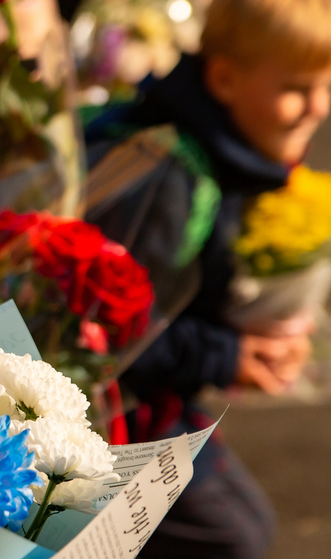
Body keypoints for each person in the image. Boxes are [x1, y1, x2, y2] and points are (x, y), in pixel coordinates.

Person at [83, 0, 331, 557]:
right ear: (223, 78)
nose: (318, 108)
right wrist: (226, 353)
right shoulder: (173, 178)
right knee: (230, 535)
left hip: (162, 399)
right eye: (296, 89)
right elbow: (110, 335)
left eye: (326, 87)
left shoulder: (224, 151)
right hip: (115, 420)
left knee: (244, 523)